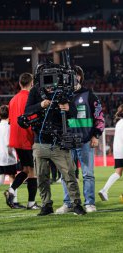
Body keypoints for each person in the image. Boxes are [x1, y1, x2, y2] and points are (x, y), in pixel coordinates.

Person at [25, 75, 86, 216]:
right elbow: (27, 110)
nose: (49, 81)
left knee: (69, 175)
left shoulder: (63, 90)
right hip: (40, 141)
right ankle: (46, 205)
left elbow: (75, 113)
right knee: (41, 177)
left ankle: (76, 203)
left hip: (59, 142)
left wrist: (68, 107)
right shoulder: (35, 91)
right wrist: (41, 105)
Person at [56, 65, 105, 214]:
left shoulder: (89, 94)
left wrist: (96, 135)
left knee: (87, 174)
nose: (72, 78)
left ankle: (89, 202)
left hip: (85, 140)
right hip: (67, 142)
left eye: (75, 75)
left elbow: (99, 116)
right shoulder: (62, 97)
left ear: (80, 77)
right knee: (67, 175)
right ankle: (68, 203)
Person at [5, 73, 40, 210]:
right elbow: (33, 119)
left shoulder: (12, 100)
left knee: (26, 169)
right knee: (32, 171)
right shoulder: (31, 98)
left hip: (16, 139)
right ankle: (31, 203)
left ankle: (12, 190)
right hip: (27, 138)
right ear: (32, 84)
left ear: (20, 84)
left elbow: (10, 120)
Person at [98, 104, 123, 201]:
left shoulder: (119, 123)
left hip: (118, 151)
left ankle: (104, 190)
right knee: (118, 173)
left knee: (118, 173)